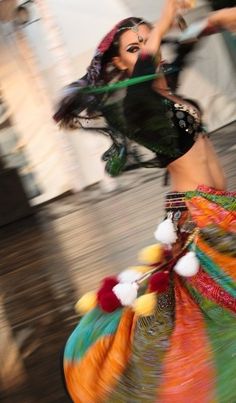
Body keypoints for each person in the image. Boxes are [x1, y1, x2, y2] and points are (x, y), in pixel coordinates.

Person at [54, 1, 236, 401]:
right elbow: (148, 67)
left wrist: (213, 22)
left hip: (215, 205)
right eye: (132, 48)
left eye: (145, 40)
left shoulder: (162, 88)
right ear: (119, 65)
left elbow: (176, 51)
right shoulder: (134, 105)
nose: (145, 49)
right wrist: (167, 15)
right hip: (200, 213)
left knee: (216, 303)